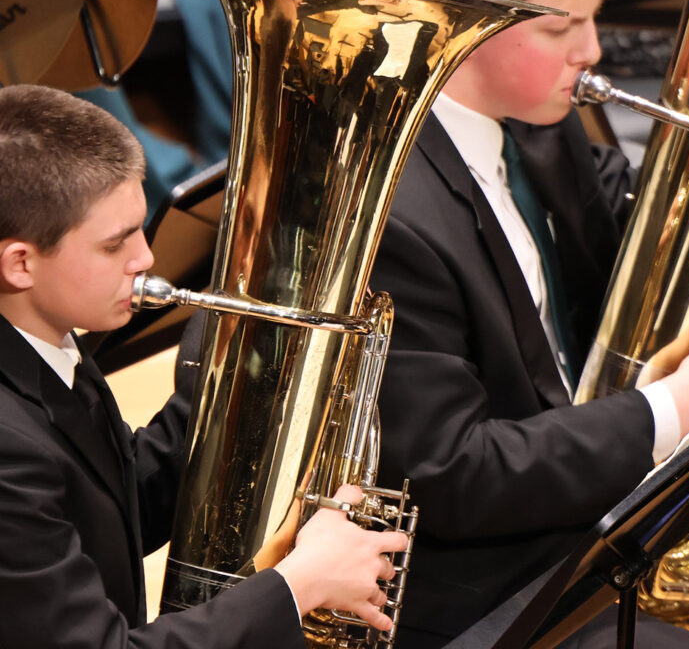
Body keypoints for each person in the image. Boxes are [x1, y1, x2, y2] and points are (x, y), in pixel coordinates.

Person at [368, 0, 689, 648]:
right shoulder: (397, 218)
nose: (592, 50)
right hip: (489, 593)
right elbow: (451, 475)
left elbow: (631, 228)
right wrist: (675, 407)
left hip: (591, 499)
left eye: (592, 19)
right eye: (561, 28)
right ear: (465, 23)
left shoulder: (539, 123)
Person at [0, 83, 407, 648]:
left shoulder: (46, 340)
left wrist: (233, 373)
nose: (146, 258)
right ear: (20, 264)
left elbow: (112, 504)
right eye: (115, 245)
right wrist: (298, 585)